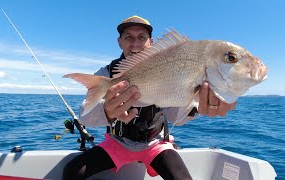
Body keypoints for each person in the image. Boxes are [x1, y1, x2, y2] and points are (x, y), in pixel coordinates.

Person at [63, 15, 237, 180]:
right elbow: (84, 115)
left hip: (155, 144)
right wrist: (107, 111)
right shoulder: (106, 75)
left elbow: (174, 117)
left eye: (142, 37)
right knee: (72, 171)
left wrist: (197, 105)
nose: (135, 43)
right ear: (119, 42)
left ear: (151, 42)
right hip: (117, 143)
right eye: (128, 37)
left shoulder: (168, 66)